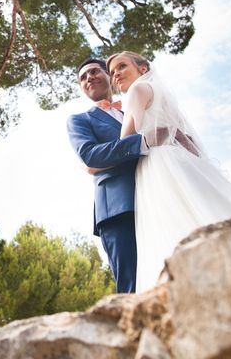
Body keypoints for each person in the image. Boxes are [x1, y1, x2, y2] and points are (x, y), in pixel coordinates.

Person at [106, 51, 231, 292]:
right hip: (181, 159)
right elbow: (183, 137)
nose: (116, 74)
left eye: (122, 66)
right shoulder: (161, 94)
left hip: (158, 165)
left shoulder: (138, 91)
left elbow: (127, 139)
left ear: (143, 68)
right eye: (113, 72)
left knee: (171, 226)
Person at [66, 58, 146, 293]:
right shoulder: (79, 120)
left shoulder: (139, 105)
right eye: (83, 77)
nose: (88, 78)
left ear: (109, 76)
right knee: (132, 285)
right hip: (117, 207)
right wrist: (142, 143)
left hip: (157, 193)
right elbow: (90, 155)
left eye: (93, 72)